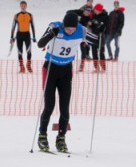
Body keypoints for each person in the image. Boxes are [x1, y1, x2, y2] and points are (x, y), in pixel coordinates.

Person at [35, 11, 98, 153]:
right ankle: (42, 135)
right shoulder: (55, 27)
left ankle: (61, 138)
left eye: (72, 29)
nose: (70, 32)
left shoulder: (81, 30)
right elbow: (40, 44)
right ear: (63, 25)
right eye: (68, 29)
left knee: (65, 109)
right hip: (50, 69)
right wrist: (52, 34)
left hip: (66, 71)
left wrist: (99, 32)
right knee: (49, 106)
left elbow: (96, 41)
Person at [10, 1, 36, 73]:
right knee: (20, 52)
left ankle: (28, 66)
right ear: (20, 6)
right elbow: (13, 26)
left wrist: (34, 36)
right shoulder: (17, 15)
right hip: (19, 35)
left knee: (29, 51)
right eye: (22, 6)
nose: (23, 7)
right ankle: (22, 67)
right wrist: (11, 37)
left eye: (24, 6)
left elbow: (33, 26)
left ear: (26, 6)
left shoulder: (30, 15)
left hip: (27, 35)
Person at [90, 3, 109, 71]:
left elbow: (106, 26)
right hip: (94, 36)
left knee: (101, 52)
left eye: (96, 10)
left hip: (101, 36)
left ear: (99, 10)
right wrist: (91, 24)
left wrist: (103, 30)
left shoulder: (105, 16)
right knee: (94, 52)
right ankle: (96, 67)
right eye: (94, 9)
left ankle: (103, 68)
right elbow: (92, 25)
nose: (94, 11)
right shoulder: (94, 15)